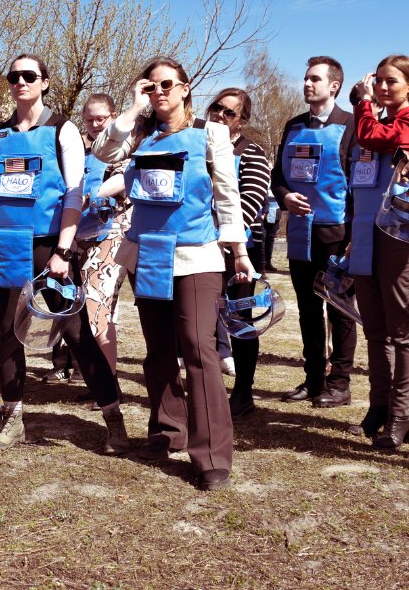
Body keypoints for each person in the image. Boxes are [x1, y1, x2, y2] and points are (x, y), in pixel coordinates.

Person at [93, 57, 253, 491]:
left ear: (185, 89)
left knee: (199, 350)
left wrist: (238, 251)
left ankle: (211, 455)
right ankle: (167, 431)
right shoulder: (140, 136)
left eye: (167, 84)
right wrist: (132, 105)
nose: (159, 92)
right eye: (151, 86)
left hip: (196, 255)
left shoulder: (212, 134)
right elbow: (102, 152)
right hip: (148, 254)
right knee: (158, 350)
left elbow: (227, 195)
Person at [0, 54, 129, 454]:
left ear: (44, 82)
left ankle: (113, 418)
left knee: (76, 333)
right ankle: (12, 419)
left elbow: (75, 194)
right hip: (4, 241)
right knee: (7, 332)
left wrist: (63, 249)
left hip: (49, 245)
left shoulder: (63, 129)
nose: (20, 81)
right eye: (14, 76)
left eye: (29, 76)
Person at [347, 56, 409, 449]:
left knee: (402, 329)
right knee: (375, 329)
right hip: (365, 234)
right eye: (377, 82)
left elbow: (375, 138)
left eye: (392, 82)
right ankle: (378, 406)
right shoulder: (374, 122)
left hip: (398, 237)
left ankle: (401, 415)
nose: (382, 88)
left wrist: (364, 104)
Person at [272, 56, 357, 407]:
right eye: (305, 78)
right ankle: (313, 379)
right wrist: (285, 196)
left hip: (336, 233)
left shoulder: (351, 125)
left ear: (334, 86)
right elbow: (278, 177)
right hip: (299, 234)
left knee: (338, 309)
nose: (307, 84)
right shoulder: (293, 126)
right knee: (308, 309)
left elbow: (359, 185)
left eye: (315, 79)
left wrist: (355, 238)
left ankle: (340, 382)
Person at [203, 89, 271, 417]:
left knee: (240, 321)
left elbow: (249, 203)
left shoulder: (252, 153)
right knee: (199, 322)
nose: (219, 115)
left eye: (229, 113)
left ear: (241, 121)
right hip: (197, 250)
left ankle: (243, 392)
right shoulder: (195, 147)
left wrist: (219, 235)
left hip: (237, 254)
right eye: (216, 108)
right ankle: (206, 390)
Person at [76, 93, 131, 379]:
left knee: (98, 307)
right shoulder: (79, 150)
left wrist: (94, 194)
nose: (96, 125)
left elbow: (124, 180)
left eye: (102, 119)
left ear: (113, 117)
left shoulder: (124, 146)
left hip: (112, 235)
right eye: (90, 119)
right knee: (88, 307)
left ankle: (107, 383)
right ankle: (92, 374)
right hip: (80, 236)